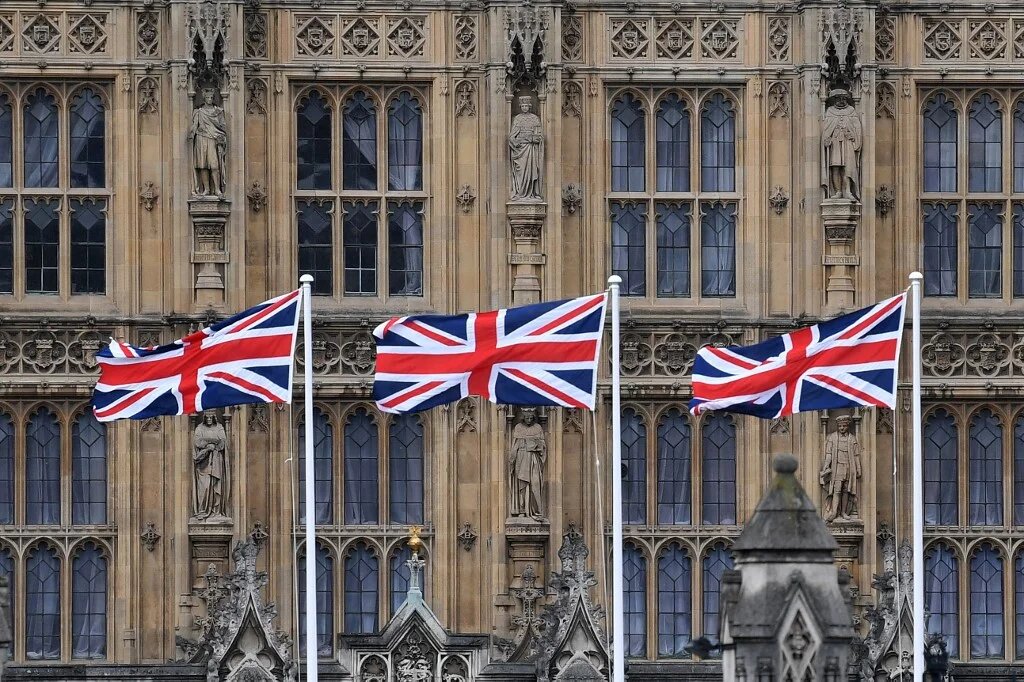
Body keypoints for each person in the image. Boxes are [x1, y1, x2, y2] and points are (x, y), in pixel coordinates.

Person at [819, 415, 862, 521]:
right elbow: (828, 454)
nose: (842, 428)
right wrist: (825, 467)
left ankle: (843, 512)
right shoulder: (832, 438)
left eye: (844, 426)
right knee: (837, 490)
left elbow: (856, 456)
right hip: (837, 468)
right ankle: (834, 512)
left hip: (849, 468)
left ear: (847, 426)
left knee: (846, 490)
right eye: (840, 426)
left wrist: (858, 469)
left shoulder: (852, 439)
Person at [509, 409, 547, 519]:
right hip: (521, 458)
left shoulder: (538, 428)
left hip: (534, 459)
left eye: (531, 418)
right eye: (527, 418)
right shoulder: (518, 428)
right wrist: (512, 460)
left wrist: (534, 445)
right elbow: (514, 446)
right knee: (522, 485)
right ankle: (522, 509)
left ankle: (537, 510)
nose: (529, 420)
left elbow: (543, 446)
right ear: (523, 417)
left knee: (535, 483)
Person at [189, 88, 228, 196]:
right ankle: (206, 189)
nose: (210, 99)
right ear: (204, 98)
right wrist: (192, 133)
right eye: (207, 97)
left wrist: (221, 137)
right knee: (203, 165)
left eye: (211, 97)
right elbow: (194, 126)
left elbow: (223, 127)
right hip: (201, 138)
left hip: (213, 139)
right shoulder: (199, 112)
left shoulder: (218, 112)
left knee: (214, 165)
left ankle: (217, 189)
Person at [193, 412, 228, 520]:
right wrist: (209, 446)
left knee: (215, 485)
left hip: (216, 460)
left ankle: (216, 511)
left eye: (211, 417)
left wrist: (210, 443)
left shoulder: (219, 427)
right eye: (206, 417)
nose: (208, 419)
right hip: (203, 462)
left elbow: (223, 442)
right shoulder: (199, 428)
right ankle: (202, 510)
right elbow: (197, 442)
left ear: (214, 417)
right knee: (204, 486)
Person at [508, 96, 544, 201]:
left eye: (526, 106)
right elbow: (511, 137)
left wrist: (533, 138)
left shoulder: (535, 119)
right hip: (521, 150)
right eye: (522, 106)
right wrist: (517, 142)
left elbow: (540, 136)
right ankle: (520, 193)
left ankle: (533, 193)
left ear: (529, 106)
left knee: (532, 170)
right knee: (521, 172)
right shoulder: (517, 119)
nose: (524, 108)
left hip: (531, 149)